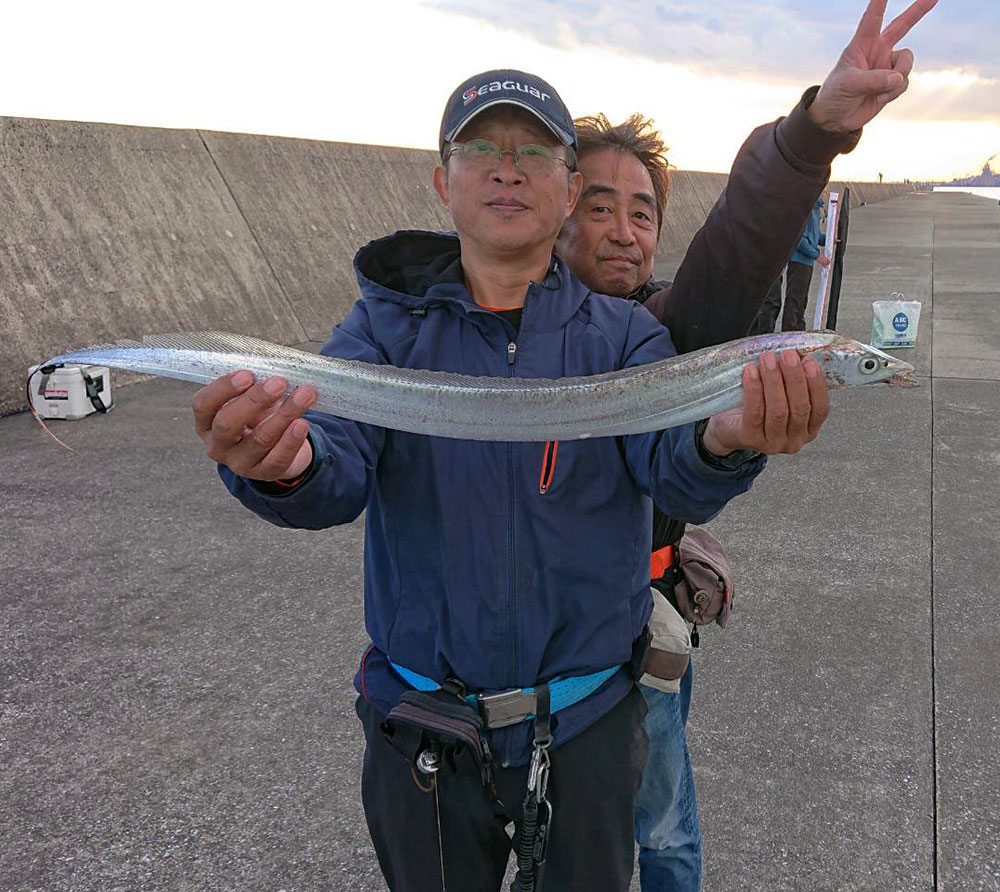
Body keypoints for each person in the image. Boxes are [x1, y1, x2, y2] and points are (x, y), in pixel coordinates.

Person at [190, 69, 831, 891]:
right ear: (442, 182)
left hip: (588, 726)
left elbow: (674, 465)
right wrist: (284, 466)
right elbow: (334, 461)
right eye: (480, 149)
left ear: (566, 190)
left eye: (534, 151)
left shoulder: (626, 335)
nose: (506, 168)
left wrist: (726, 439)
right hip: (422, 728)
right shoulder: (382, 330)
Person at [555, 0, 937, 888]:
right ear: (554, 215)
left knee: (667, 834)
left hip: (639, 629)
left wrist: (813, 137)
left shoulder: (663, 327)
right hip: (532, 653)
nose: (623, 229)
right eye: (596, 205)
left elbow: (732, 256)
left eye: (643, 211)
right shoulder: (502, 345)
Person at [751, 195, 831, 335]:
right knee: (791, 300)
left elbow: (814, 235)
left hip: (804, 261)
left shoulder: (815, 208)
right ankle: (790, 332)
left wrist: (829, 239)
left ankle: (797, 330)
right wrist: (816, 255)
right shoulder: (805, 207)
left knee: (800, 299)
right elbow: (799, 237)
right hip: (798, 260)